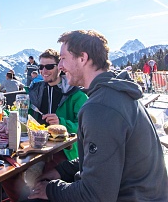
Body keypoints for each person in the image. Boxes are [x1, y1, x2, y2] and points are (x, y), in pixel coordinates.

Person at [27, 30, 168, 201]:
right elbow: (103, 158)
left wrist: (51, 190)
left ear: (83, 58)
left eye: (63, 59)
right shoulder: (118, 94)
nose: (61, 66)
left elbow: (95, 195)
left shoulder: (100, 107)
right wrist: (62, 171)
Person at [3, 49, 87, 202]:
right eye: (40, 67)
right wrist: (7, 117)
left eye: (49, 67)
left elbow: (84, 126)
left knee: (41, 179)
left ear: (59, 67)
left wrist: (62, 123)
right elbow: (21, 112)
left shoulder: (76, 95)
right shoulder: (35, 91)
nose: (44, 71)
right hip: (32, 147)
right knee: (7, 174)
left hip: (63, 150)